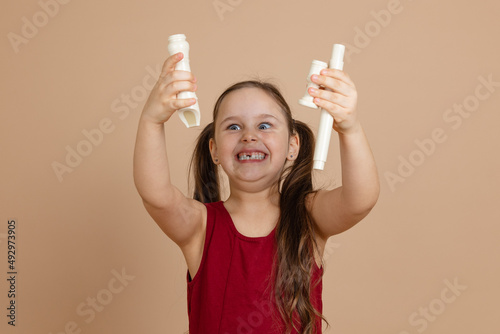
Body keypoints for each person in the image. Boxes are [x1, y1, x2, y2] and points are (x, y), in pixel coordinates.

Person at [133, 52, 380, 334]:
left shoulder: (308, 216)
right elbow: (156, 195)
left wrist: (349, 128)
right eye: (233, 126)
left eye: (264, 125)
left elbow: (360, 200)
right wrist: (151, 121)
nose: (249, 135)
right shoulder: (199, 226)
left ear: (292, 146)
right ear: (214, 150)